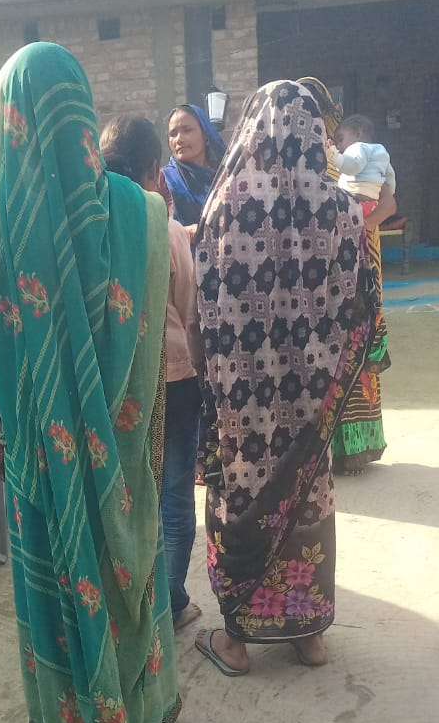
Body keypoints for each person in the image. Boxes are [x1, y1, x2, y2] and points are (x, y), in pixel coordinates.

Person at [0, 43, 182, 723]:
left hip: (42, 454)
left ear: (9, 118)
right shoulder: (141, 212)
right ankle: (147, 710)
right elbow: (153, 347)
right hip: (124, 442)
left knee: (55, 582)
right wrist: (146, 444)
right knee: (131, 566)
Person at [193, 80, 377, 677]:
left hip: (242, 405)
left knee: (243, 496)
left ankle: (237, 641)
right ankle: (308, 635)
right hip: (311, 404)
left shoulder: (222, 208)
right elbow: (366, 311)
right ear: (315, 132)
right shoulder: (343, 211)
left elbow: (200, 312)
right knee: (307, 497)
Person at [100, 114, 204, 631]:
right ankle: (172, 603)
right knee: (174, 494)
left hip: (114, 385)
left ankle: (129, 603)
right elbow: (188, 307)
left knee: (125, 492)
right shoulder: (164, 228)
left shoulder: (89, 227)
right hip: (175, 378)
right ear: (154, 171)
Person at [298, 78, 395, 476]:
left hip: (359, 258)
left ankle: (355, 446)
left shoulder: (346, 156)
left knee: (356, 341)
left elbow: (387, 201)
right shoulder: (297, 158)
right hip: (314, 269)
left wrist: (358, 226)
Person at [162, 104, 227, 233]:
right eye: (173, 134)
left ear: (205, 135)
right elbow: (155, 232)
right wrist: (187, 233)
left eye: (187, 130)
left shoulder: (225, 178)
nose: (179, 139)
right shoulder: (162, 180)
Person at [330, 113, 396, 214]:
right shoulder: (380, 151)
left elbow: (353, 166)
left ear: (358, 135)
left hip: (354, 196)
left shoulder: (357, 148)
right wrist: (389, 192)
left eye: (340, 139)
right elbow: (390, 176)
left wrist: (335, 157)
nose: (338, 146)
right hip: (372, 202)